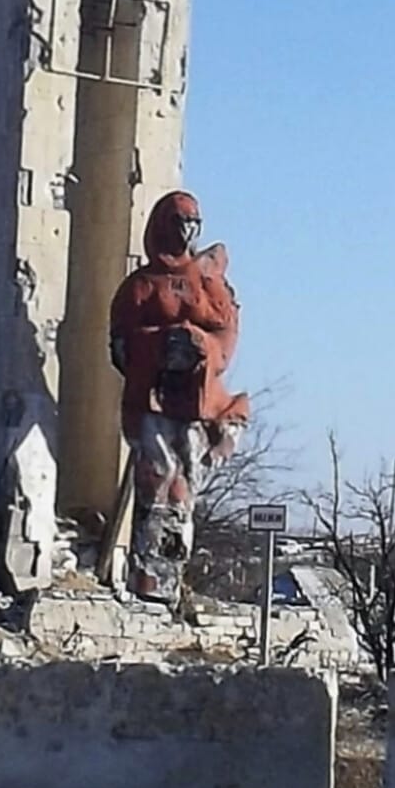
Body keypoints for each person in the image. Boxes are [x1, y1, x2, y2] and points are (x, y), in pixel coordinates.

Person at [109, 191, 249, 606]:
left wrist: (201, 346)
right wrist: (161, 346)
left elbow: (227, 335)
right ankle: (146, 578)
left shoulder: (210, 282)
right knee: (157, 473)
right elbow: (120, 345)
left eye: (193, 224)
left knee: (185, 482)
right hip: (152, 398)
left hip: (196, 400)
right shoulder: (140, 286)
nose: (186, 231)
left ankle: (168, 580)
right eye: (178, 222)